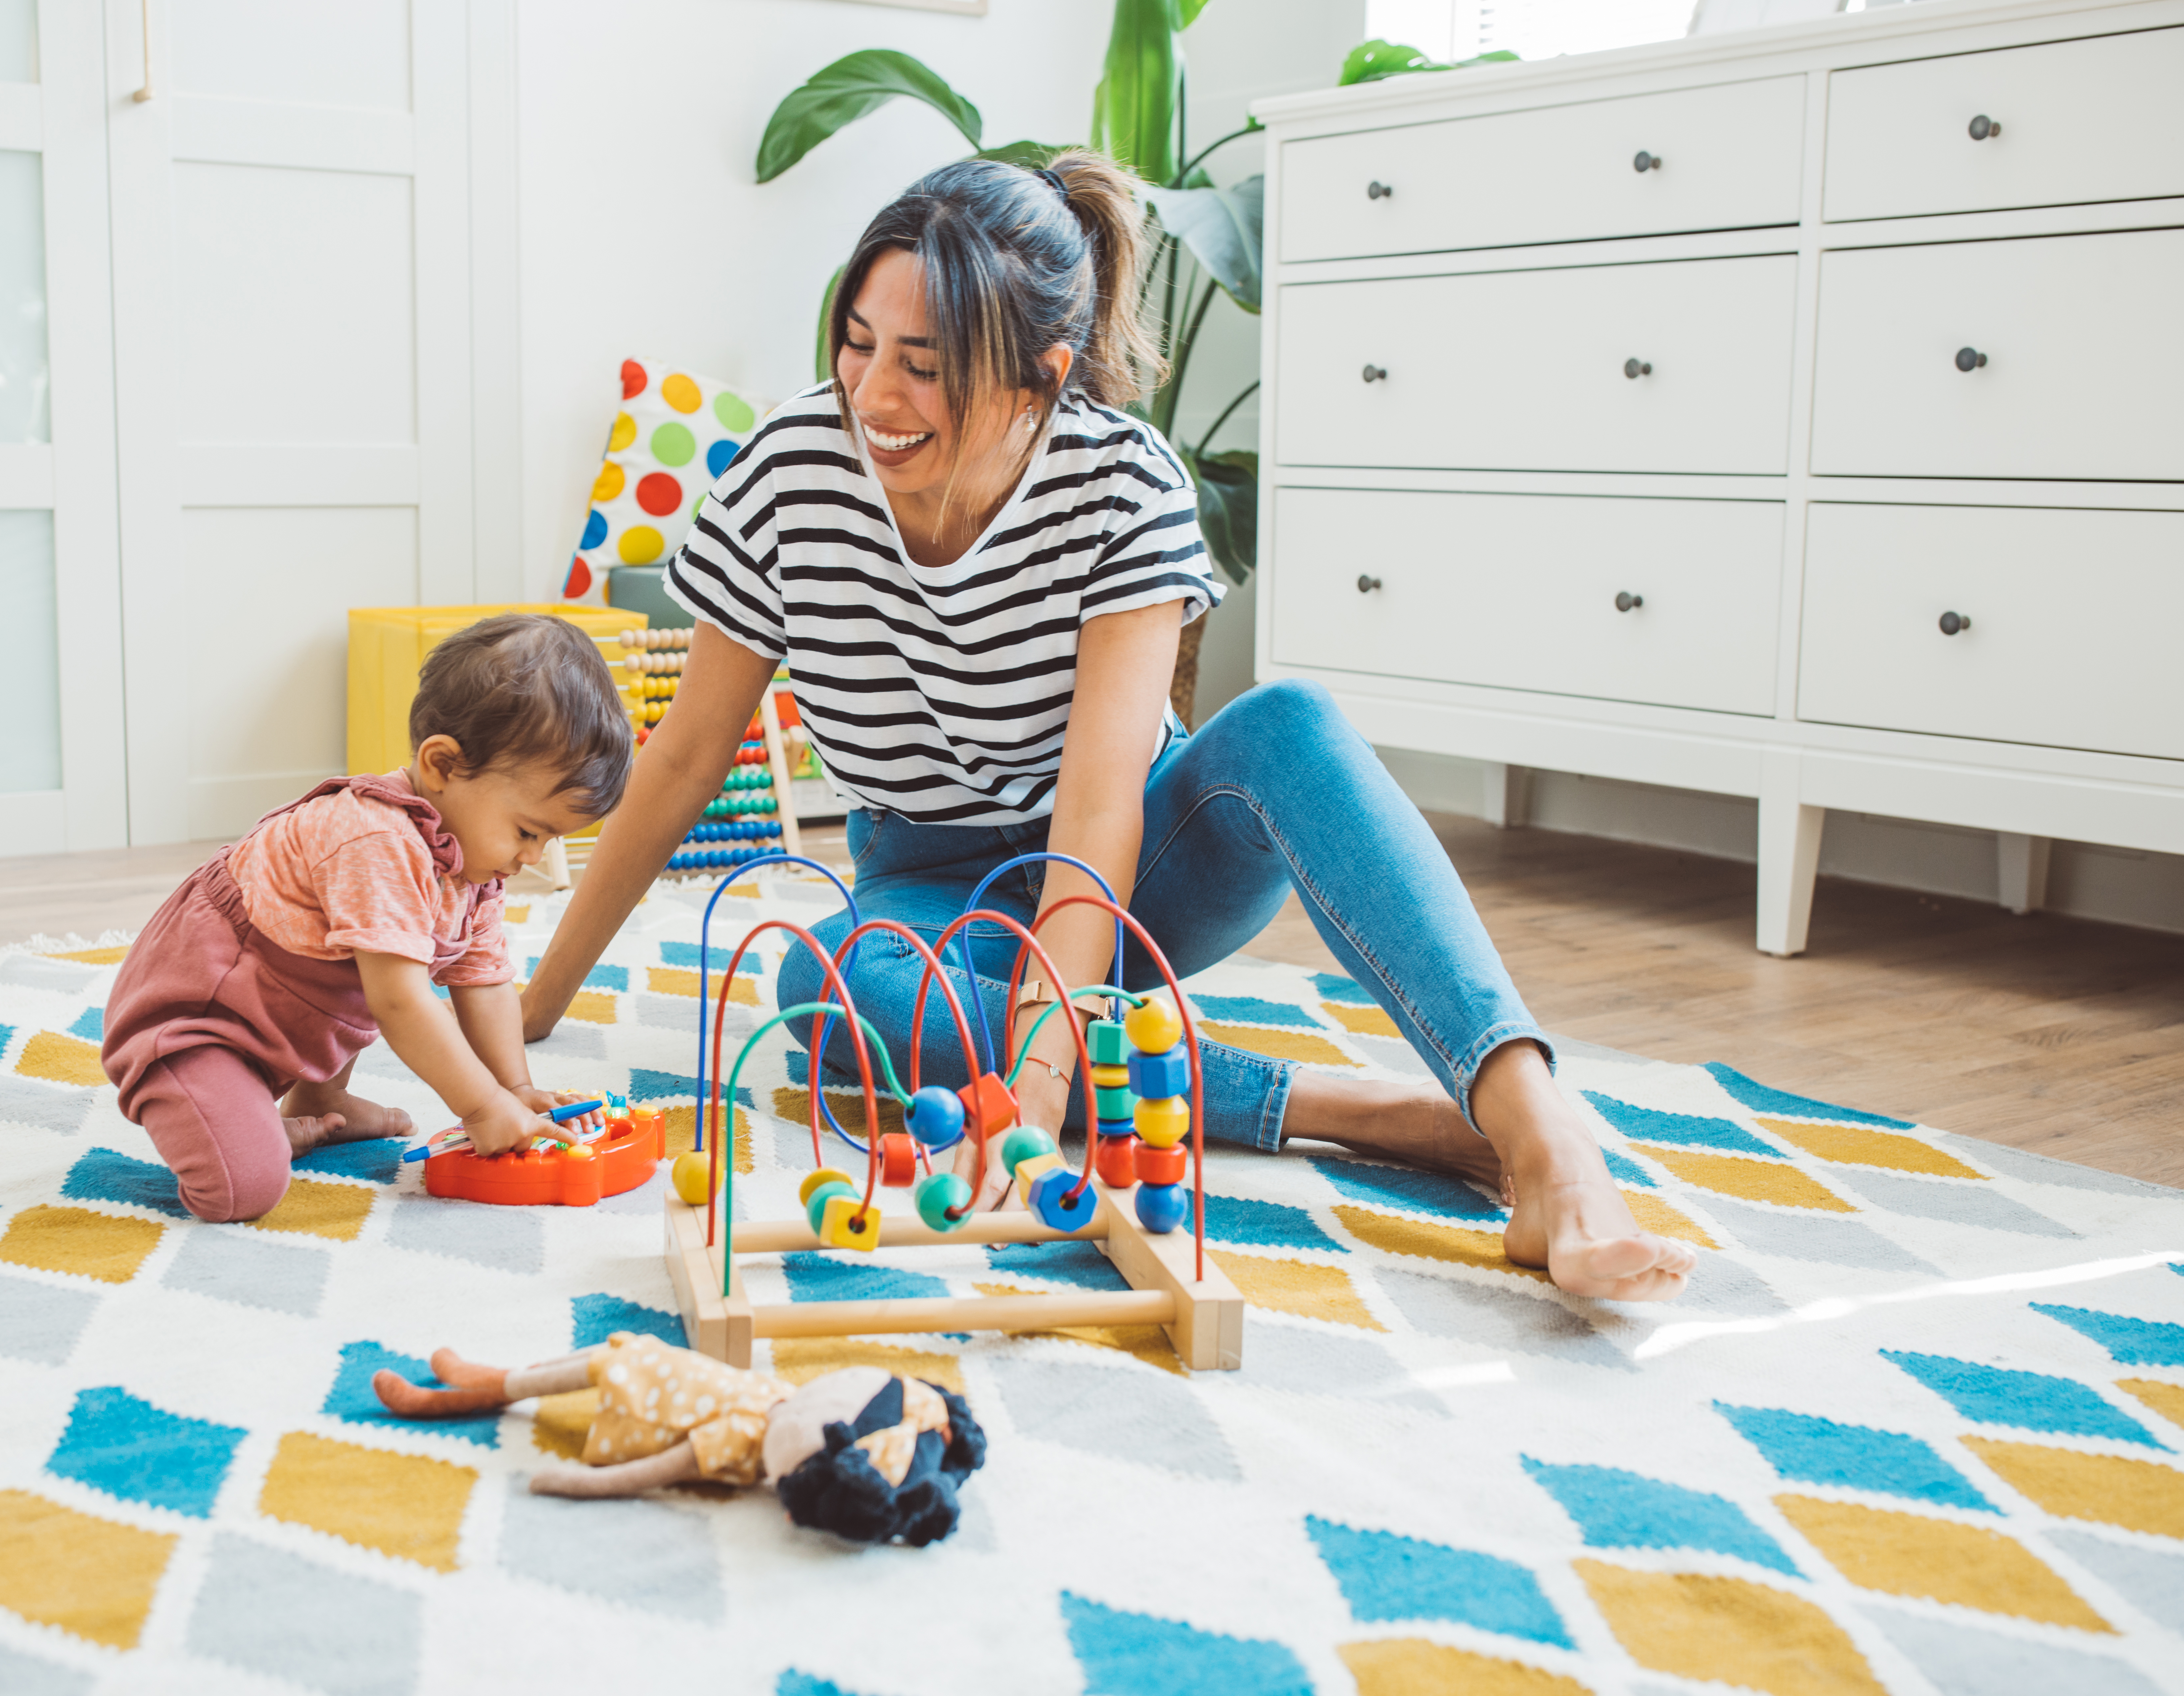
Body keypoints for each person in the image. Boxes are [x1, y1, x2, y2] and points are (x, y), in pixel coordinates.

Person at [522, 153, 1693, 1303]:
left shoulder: (1125, 484)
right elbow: (681, 759)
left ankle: (1545, 1140)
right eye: (859, 344)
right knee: (833, 985)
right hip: (939, 891)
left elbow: (1097, 805)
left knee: (1292, 723)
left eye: (924, 367)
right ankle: (1357, 1112)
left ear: (1043, 377)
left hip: (1137, 859)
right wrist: (535, 1007)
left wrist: (1031, 1101)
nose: (874, 395)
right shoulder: (788, 474)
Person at [102, 613, 629, 1222]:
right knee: (243, 1187)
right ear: (443, 766)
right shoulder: (372, 838)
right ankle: (222, 1119)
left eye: (551, 841)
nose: (533, 857)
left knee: (359, 969)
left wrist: (513, 1088)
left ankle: (320, 1100)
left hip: (287, 1023)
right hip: (198, 1027)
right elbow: (403, 1002)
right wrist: (482, 1107)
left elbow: (483, 980)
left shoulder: (472, 866)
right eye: (528, 831)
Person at [373, 1334, 985, 1546]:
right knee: (579, 1362)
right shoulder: (781, 1402)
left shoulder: (751, 1439)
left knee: (583, 1370)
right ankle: (495, 1380)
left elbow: (666, 1467)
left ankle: (457, 1397)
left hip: (640, 1393)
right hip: (647, 1361)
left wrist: (579, 1484)